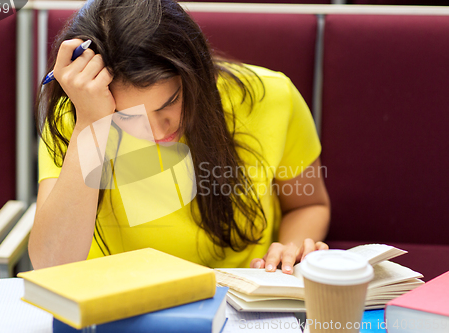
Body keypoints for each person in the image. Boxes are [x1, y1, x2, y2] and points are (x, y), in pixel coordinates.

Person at [29, 0, 330, 273]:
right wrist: (92, 125)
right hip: (116, 301)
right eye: (126, 118)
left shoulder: (272, 98)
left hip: (238, 293)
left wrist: (290, 249)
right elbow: (52, 264)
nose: (159, 133)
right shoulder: (79, 115)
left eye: (170, 102)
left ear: (196, 73)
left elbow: (308, 204)